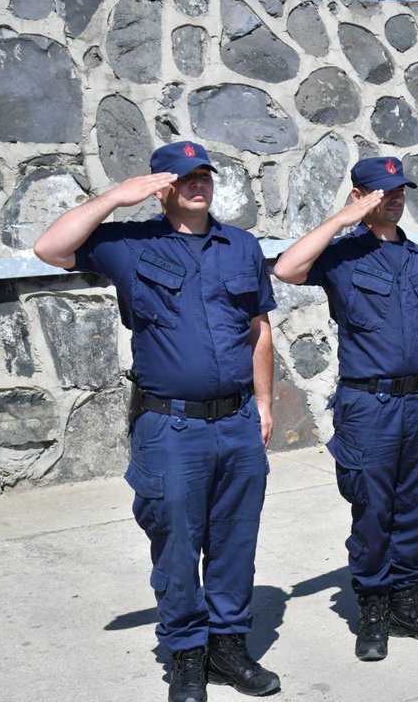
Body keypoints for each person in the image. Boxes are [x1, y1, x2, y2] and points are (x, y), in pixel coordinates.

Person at [33, 142, 279, 702]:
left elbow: (258, 328)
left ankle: (229, 647)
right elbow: (50, 247)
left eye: (204, 176)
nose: (198, 185)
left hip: (238, 421)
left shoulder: (241, 246)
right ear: (162, 186)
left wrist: (264, 405)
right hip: (171, 427)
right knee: (175, 544)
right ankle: (187, 654)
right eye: (185, 177)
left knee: (235, 542)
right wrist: (117, 197)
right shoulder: (128, 245)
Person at [273, 156, 418, 659]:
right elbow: (287, 269)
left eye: (399, 191)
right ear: (359, 196)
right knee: (374, 511)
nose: (394, 199)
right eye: (381, 192)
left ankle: (407, 601)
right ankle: (373, 610)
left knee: (417, 507)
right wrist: (340, 221)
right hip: (368, 404)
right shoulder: (342, 256)